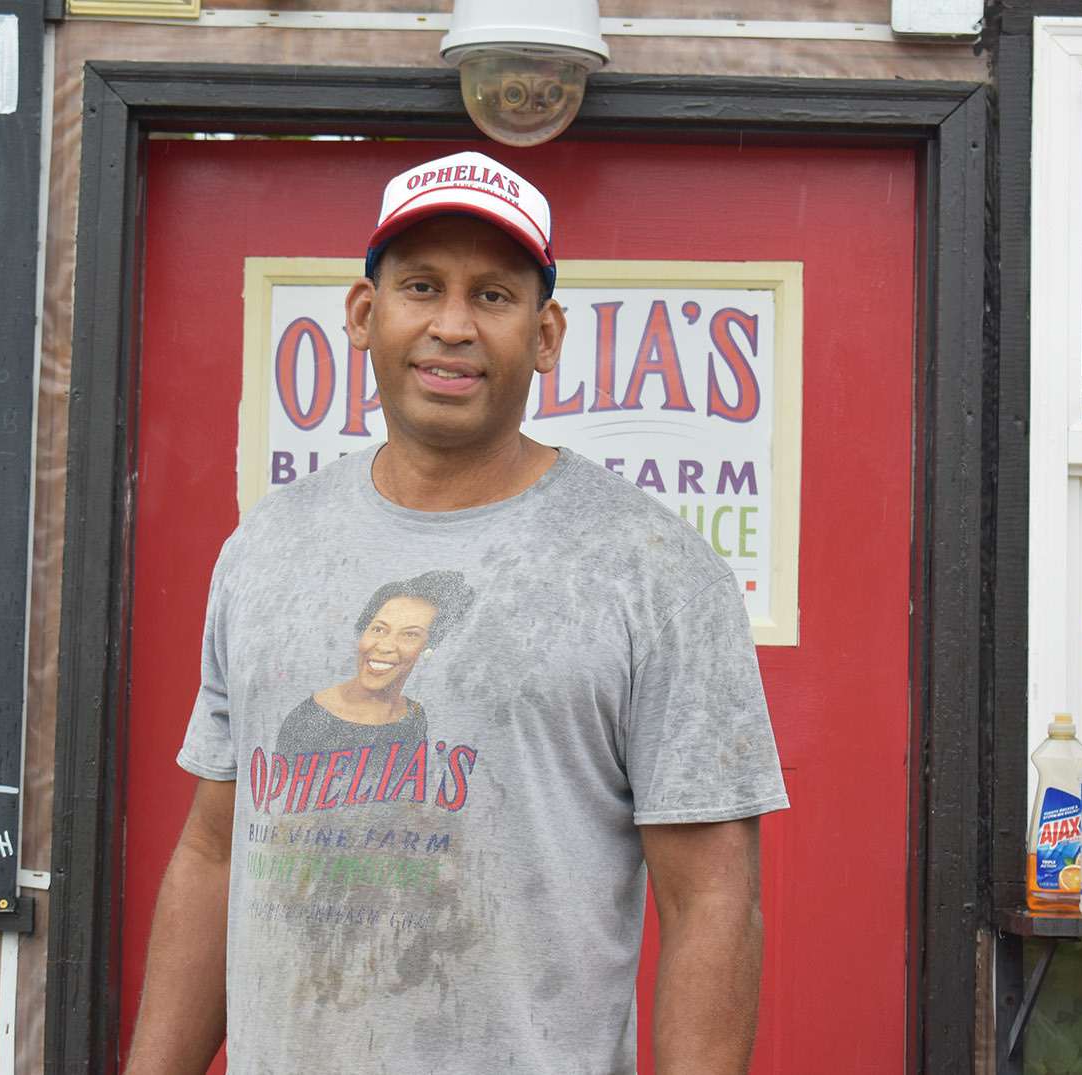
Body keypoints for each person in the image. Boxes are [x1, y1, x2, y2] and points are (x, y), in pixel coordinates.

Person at [127, 149, 789, 1074]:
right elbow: (211, 852)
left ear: (547, 335)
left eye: (493, 296)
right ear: (365, 315)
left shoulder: (653, 570)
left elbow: (713, 900)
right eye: (422, 286)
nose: (451, 326)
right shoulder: (264, 549)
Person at [273, 570, 474, 759]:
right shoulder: (309, 720)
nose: (385, 646)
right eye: (378, 629)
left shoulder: (414, 717)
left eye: (410, 634)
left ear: (429, 647)